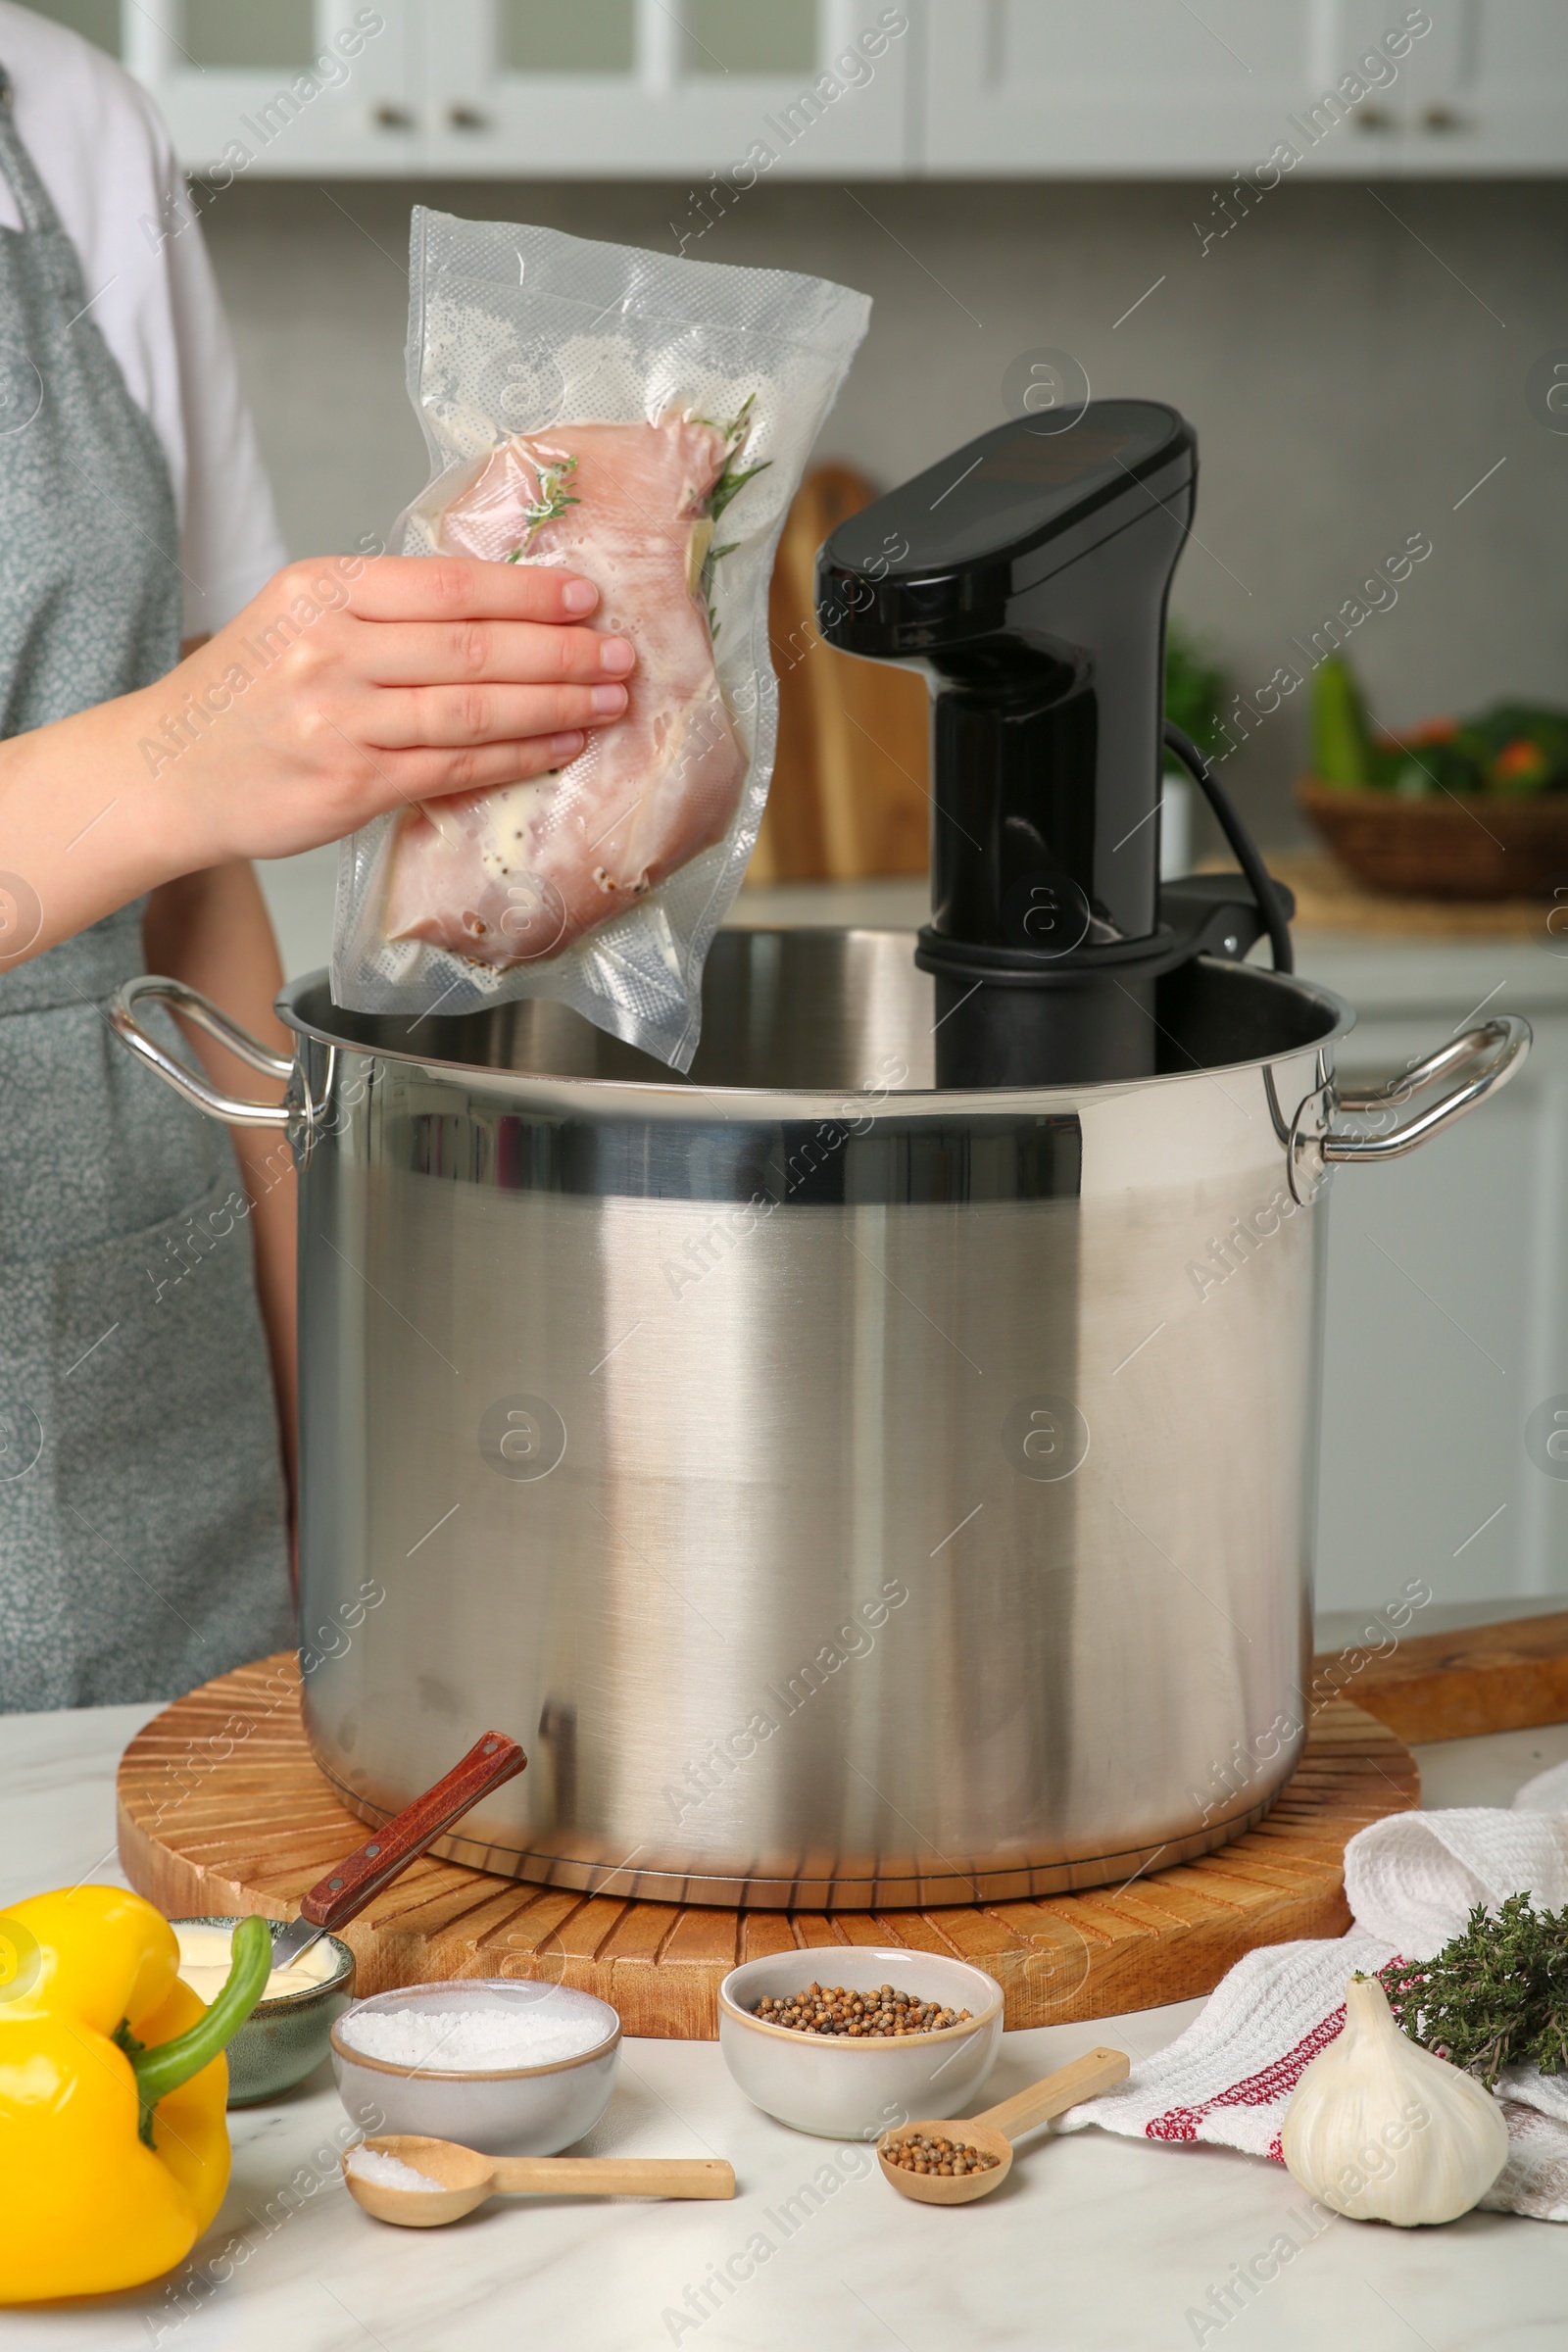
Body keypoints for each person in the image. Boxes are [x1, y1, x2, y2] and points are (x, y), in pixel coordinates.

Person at [0, 6, 634, 1708]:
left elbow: (198, 887)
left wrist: (335, 1471)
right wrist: (163, 754)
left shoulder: (65, 125)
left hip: (153, 1446)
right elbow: (172, 777)